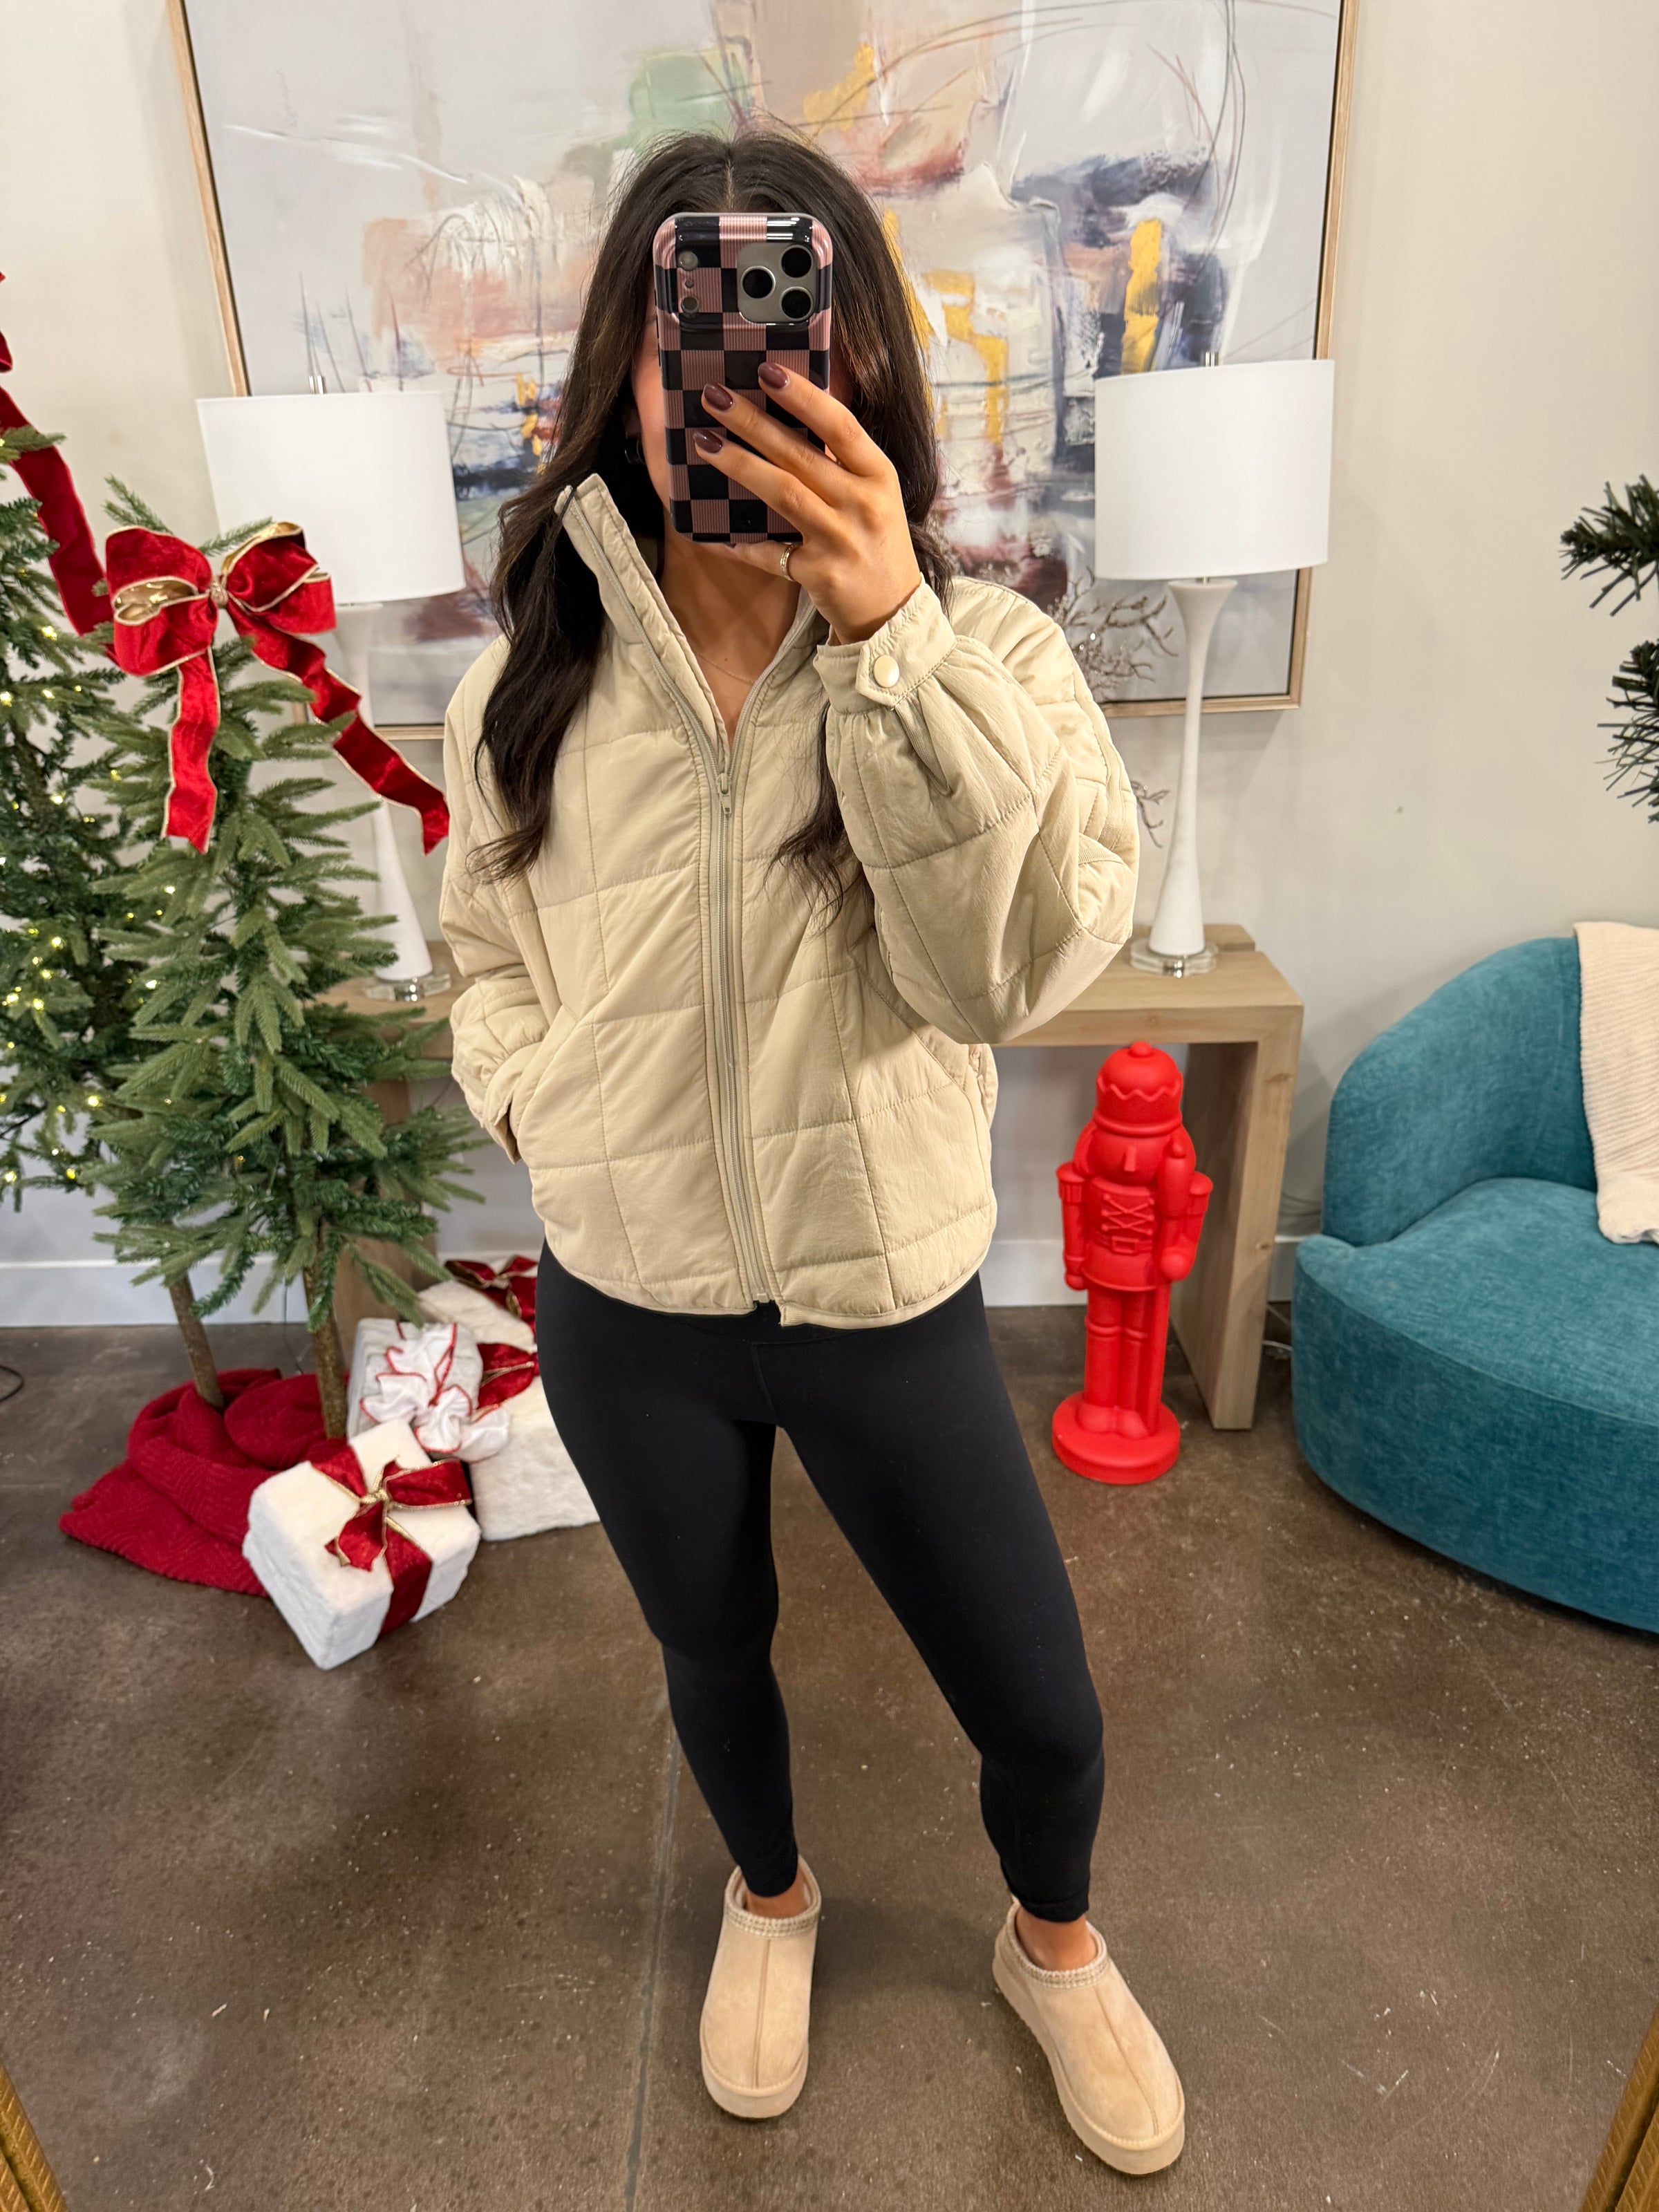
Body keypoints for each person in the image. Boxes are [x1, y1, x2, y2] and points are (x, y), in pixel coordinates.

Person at [440, 126, 1183, 2175]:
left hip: (881, 1288)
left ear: (863, 364)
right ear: (628, 366)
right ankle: (769, 1900)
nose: (754, 375)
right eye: (699, 330)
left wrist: (891, 645)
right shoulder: (528, 687)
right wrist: (547, 1105)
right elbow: (481, 959)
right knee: (711, 1646)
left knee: (1041, 1703)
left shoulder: (994, 662)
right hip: (632, 1295)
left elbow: (1004, 972)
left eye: (802, 327)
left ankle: (1053, 1940)